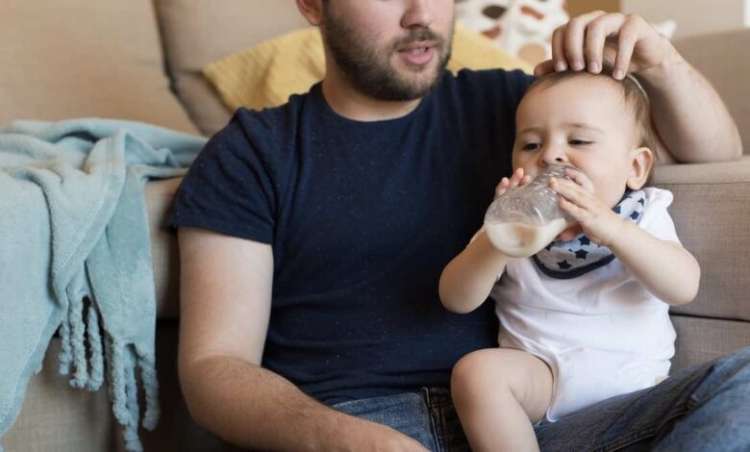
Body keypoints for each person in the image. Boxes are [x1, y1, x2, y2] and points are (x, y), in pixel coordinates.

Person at [169, 1, 747, 450]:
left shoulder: (520, 111)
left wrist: (661, 64)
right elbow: (214, 367)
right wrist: (343, 439)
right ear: (313, 5)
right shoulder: (253, 151)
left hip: (540, 425)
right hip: (360, 423)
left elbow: (715, 157)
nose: (421, 15)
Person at [439, 69, 701, 452]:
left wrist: (613, 229)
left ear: (635, 168)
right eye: (531, 145)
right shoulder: (512, 226)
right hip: (544, 379)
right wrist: (495, 242)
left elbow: (683, 286)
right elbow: (455, 298)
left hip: (634, 388)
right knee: (475, 374)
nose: (550, 156)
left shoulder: (642, 215)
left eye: (578, 140)